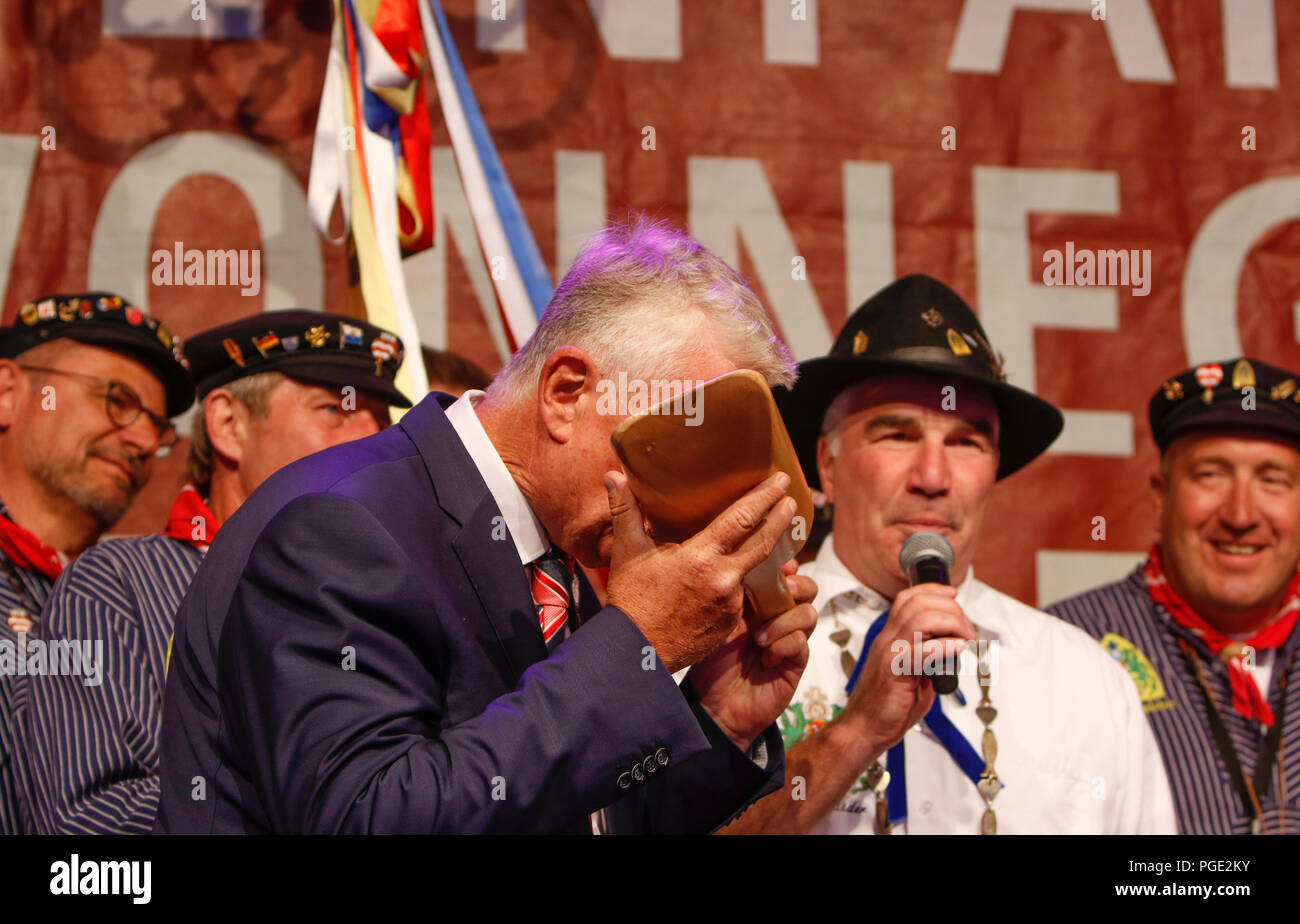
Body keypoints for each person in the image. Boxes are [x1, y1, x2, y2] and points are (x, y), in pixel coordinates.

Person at [153, 218, 819, 834]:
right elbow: (366, 814)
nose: (686, 505)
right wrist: (637, 642)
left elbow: (572, 816)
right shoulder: (343, 523)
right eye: (673, 448)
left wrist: (721, 720)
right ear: (565, 393)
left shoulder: (555, 556)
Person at [722, 274, 1177, 834]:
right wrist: (857, 729)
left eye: (966, 442)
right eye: (898, 435)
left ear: (992, 473)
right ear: (828, 464)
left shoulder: (1084, 679)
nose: (933, 478)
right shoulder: (734, 648)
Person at [14, 310, 411, 833]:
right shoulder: (120, 584)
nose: (372, 435)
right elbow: (85, 824)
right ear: (228, 425)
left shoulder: (400, 601)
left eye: (382, 420)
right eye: (334, 409)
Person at [1050, 358, 1300, 834]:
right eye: (1211, 474)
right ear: (1161, 496)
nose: (1241, 514)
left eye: (1272, 480)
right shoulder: (1063, 649)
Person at [0, 292, 192, 834]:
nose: (142, 439)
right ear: (7, 392)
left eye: (158, 426)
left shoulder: (135, 603)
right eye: (117, 399)